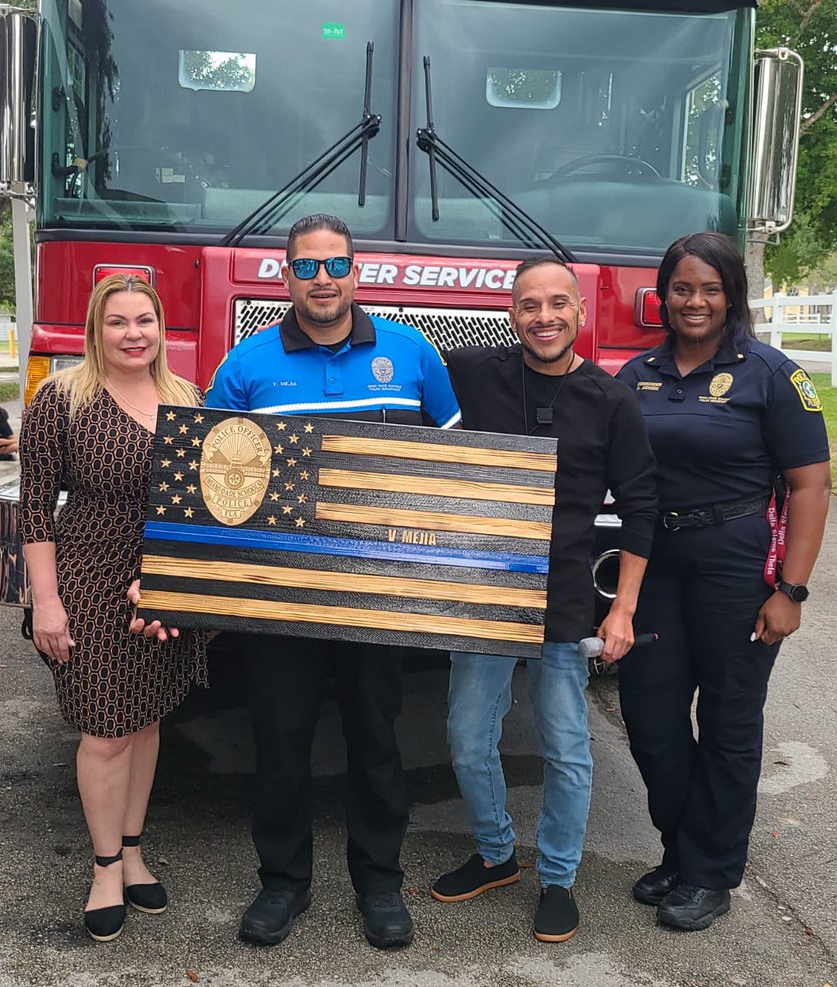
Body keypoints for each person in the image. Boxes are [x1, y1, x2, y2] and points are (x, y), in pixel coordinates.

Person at [206, 213, 461, 949]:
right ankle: (282, 884)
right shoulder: (245, 366)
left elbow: (450, 474)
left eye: (336, 265)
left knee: (377, 739)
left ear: (359, 272)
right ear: (285, 277)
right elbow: (213, 484)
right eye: (308, 267)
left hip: (377, 596)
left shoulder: (414, 356)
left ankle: (379, 883)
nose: (323, 279)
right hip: (279, 595)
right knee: (279, 741)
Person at [430, 254, 657, 943]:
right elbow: (403, 364)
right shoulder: (475, 373)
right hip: (486, 591)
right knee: (468, 739)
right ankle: (496, 852)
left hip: (563, 599)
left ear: (580, 313)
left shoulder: (611, 398)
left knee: (566, 748)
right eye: (530, 305)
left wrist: (622, 608)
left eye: (558, 304)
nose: (544, 317)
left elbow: (642, 503)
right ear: (512, 314)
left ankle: (558, 878)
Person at [617, 232, 831, 931]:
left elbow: (810, 485)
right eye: (682, 288)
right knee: (650, 719)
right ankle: (681, 849)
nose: (695, 301)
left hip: (738, 565)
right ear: (663, 295)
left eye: (710, 288)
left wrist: (791, 591)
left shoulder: (771, 374)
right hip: (653, 560)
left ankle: (709, 872)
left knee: (730, 722)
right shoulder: (636, 373)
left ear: (731, 294)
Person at [19, 274, 207, 942]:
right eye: (118, 322)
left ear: (162, 329)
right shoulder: (61, 399)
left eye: (145, 321)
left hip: (157, 584)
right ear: (96, 330)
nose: (134, 334)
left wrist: (167, 577)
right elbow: (36, 509)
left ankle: (132, 851)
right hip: (88, 581)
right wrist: (46, 603)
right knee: (105, 731)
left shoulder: (187, 397)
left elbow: (196, 505)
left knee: (147, 719)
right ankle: (103, 866)